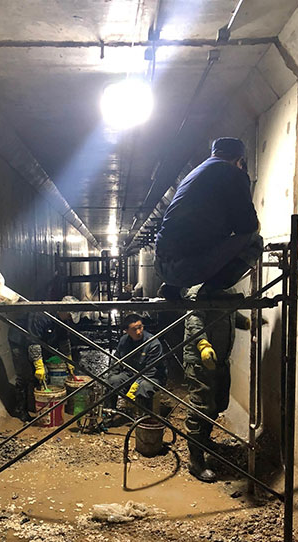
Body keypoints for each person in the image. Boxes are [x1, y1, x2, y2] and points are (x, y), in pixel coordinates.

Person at [155, 137, 263, 299]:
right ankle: (211, 290)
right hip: (186, 268)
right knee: (254, 240)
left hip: (161, 265)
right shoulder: (234, 173)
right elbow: (247, 226)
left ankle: (171, 288)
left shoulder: (193, 174)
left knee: (195, 235)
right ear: (239, 160)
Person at [183, 284, 250, 482]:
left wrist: (245, 322)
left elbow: (228, 314)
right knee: (201, 407)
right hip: (200, 360)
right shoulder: (200, 289)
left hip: (220, 359)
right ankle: (195, 460)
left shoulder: (227, 289)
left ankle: (204, 439)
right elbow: (194, 318)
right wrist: (202, 344)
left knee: (219, 404)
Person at [8, 296, 79, 421]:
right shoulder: (41, 315)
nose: (69, 318)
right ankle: (20, 409)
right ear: (63, 310)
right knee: (25, 375)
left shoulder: (62, 320)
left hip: (37, 341)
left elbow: (64, 340)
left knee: (37, 376)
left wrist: (69, 360)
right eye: (69, 315)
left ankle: (35, 405)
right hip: (20, 341)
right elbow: (33, 341)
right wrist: (39, 365)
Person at [104, 313, 167, 416]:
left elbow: (151, 370)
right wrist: (111, 375)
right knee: (113, 381)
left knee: (143, 387)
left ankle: (143, 419)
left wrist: (135, 385)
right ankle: (108, 415)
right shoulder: (124, 341)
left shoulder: (153, 343)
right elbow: (117, 360)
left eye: (140, 327)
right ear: (127, 330)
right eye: (134, 329)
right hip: (130, 374)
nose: (138, 332)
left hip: (151, 377)